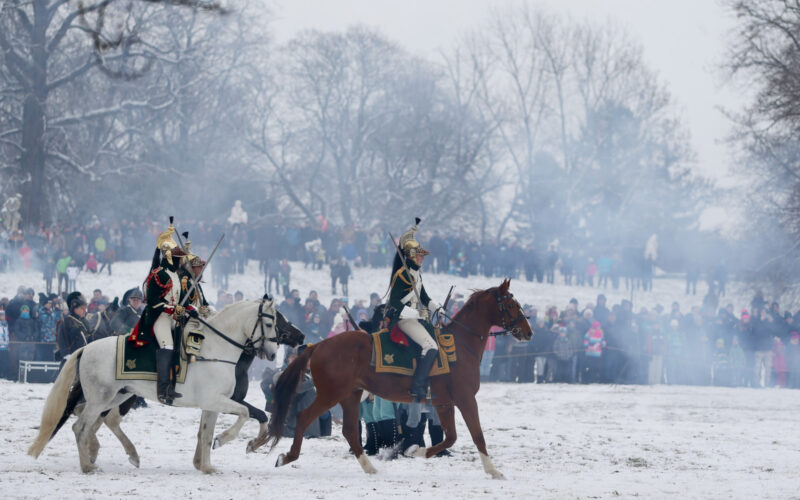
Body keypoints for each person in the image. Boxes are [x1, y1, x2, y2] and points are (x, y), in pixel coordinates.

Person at [128, 222, 190, 405]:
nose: (181, 261)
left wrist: (185, 310)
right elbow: (153, 301)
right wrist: (171, 309)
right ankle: (163, 389)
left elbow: (179, 300)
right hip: (159, 318)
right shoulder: (158, 274)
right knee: (168, 346)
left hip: (173, 317)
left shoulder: (176, 276)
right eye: (179, 258)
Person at [385, 219, 442, 401]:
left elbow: (423, 297)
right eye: (419, 256)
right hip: (403, 320)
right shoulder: (402, 275)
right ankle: (418, 386)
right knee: (430, 346)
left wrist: (437, 308)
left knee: (435, 340)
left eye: (423, 256)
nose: (422, 258)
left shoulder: (417, 274)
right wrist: (417, 314)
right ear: (410, 255)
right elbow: (394, 302)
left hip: (416, 318)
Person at [56, 292, 90, 369]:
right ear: (75, 309)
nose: (84, 311)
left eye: (85, 308)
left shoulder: (84, 322)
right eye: (81, 308)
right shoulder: (66, 321)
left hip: (82, 358)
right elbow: (61, 339)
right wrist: (67, 355)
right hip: (70, 359)